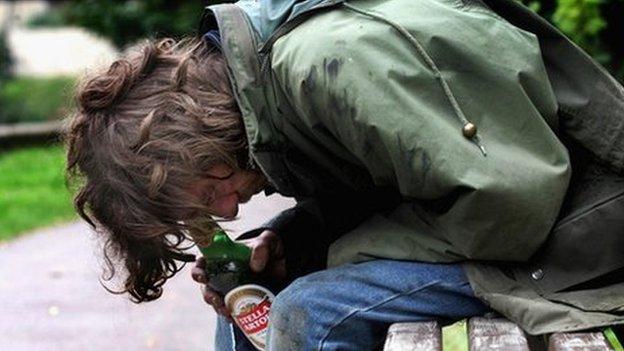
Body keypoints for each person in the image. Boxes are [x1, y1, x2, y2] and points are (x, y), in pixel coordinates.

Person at [65, 0, 624, 349]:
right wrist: (296, 239)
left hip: (581, 228)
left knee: (312, 310)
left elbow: (507, 207)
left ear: (197, 137)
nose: (230, 211)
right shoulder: (275, 84)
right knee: (253, 294)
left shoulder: (328, 63)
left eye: (212, 190)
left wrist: (332, 255)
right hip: (523, 216)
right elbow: (399, 179)